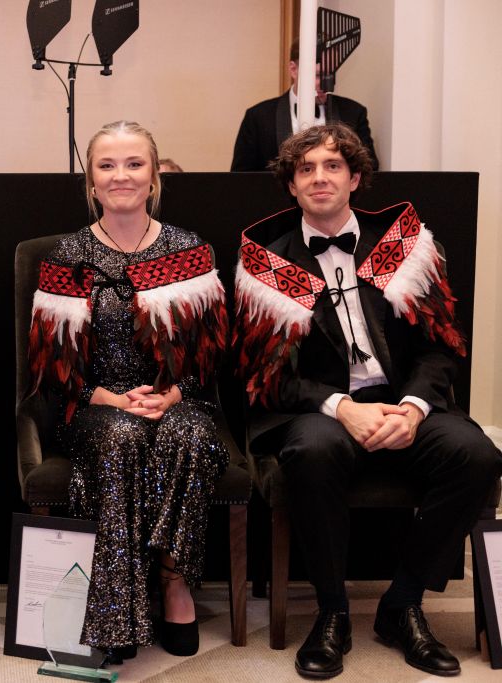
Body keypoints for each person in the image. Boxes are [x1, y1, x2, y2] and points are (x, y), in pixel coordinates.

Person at [234, 122, 502, 678]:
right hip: (320, 411)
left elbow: (441, 348)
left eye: (332, 166)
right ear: (291, 186)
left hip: (403, 402)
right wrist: (341, 407)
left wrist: (413, 409)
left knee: (477, 455)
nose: (319, 178)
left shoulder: (405, 245)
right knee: (311, 453)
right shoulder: (266, 262)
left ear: (355, 178)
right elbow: (264, 376)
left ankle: (401, 603)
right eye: (305, 169)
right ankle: (331, 612)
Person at [28, 120, 229, 660]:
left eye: (134, 164)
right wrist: (113, 399)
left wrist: (171, 395)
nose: (122, 175)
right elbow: (55, 369)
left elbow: (211, 354)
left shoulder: (192, 249)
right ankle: (117, 607)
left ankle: (172, 580)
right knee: (121, 437)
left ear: (155, 176)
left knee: (186, 436)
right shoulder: (65, 256)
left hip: (176, 397)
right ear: (90, 180)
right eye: (107, 165)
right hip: (95, 404)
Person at [231, 38, 379, 172]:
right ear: (293, 70)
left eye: (331, 75)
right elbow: (241, 178)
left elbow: (369, 170)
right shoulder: (258, 117)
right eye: (317, 75)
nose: (326, 84)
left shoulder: (354, 113)